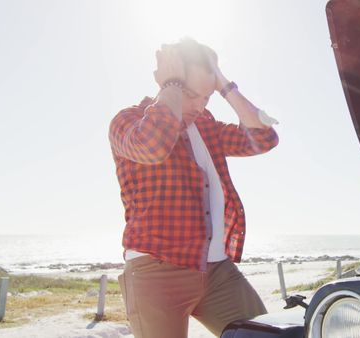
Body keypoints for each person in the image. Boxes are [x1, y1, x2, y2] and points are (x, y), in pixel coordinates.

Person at [108, 37, 279, 337]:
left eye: (206, 97)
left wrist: (224, 85)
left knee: (265, 334)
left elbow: (264, 138)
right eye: (189, 93)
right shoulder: (128, 121)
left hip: (216, 271)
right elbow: (154, 146)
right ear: (163, 82)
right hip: (156, 271)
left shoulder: (206, 126)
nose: (199, 106)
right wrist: (172, 85)